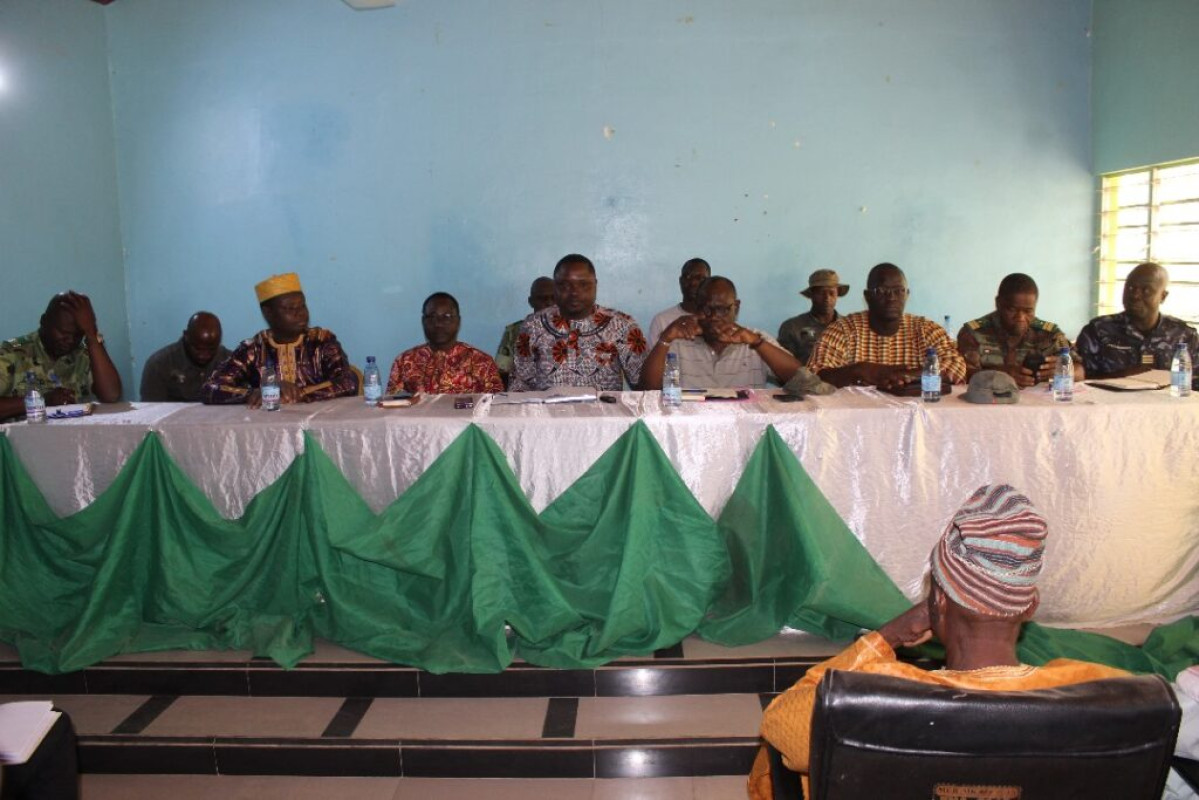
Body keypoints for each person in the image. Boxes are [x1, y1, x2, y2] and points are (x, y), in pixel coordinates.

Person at [748, 484, 1133, 800]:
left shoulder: (873, 701)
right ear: (1030, 606)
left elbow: (779, 725)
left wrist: (884, 638)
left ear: (939, 602)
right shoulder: (1110, 696)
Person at [201, 272, 358, 406]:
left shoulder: (321, 342)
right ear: (268, 313)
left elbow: (348, 381)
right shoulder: (254, 349)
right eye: (290, 308)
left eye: (302, 306)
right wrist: (255, 393)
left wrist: (299, 393)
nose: (300, 313)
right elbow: (211, 388)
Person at [807, 263, 967, 391]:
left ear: (907, 295)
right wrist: (859, 370)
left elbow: (956, 366)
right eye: (882, 291)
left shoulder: (926, 330)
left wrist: (907, 376)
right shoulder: (843, 329)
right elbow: (814, 374)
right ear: (867, 296)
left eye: (898, 291)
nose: (891, 298)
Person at [510, 254, 648, 391]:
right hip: (546, 405)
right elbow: (519, 385)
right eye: (565, 285)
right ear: (555, 287)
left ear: (595, 285)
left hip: (603, 406)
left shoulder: (622, 325)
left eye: (583, 285)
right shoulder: (533, 325)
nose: (574, 293)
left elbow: (644, 386)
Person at [640, 276, 807, 390]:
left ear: (737, 307)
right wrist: (665, 339)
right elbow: (647, 390)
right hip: (692, 428)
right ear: (697, 308)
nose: (714, 317)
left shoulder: (755, 340)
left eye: (722, 309)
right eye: (707, 309)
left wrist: (757, 343)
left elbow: (803, 381)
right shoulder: (679, 342)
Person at [0, 292, 123, 421]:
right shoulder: (13, 353)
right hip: (20, 433)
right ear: (44, 321)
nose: (70, 340)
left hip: (76, 432)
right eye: (63, 333)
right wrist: (42, 401)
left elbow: (111, 395)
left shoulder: (85, 353)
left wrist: (91, 333)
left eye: (78, 335)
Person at [1076, 261, 1199, 378]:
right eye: (1130, 288)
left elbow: (1194, 381)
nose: (1135, 295)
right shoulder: (1098, 330)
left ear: (1163, 296)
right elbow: (1078, 379)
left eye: (1146, 290)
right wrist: (1120, 377)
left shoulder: (1184, 336)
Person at [957, 273, 1083, 387]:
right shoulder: (973, 333)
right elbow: (962, 375)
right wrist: (1000, 375)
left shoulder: (1050, 334)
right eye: (1012, 310)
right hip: (987, 401)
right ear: (998, 303)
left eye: (1028, 311)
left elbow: (1080, 371)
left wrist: (1066, 370)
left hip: (1039, 402)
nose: (1020, 318)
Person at [387, 292, 504, 395]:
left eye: (446, 316)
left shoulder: (482, 362)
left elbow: (497, 407)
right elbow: (391, 407)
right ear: (423, 321)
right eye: (432, 316)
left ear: (458, 321)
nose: (439, 323)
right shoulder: (404, 362)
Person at [139, 311, 230, 402]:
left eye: (211, 349)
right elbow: (153, 408)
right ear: (186, 336)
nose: (204, 356)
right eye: (197, 349)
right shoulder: (159, 365)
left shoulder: (231, 362)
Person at [777, 269, 848, 365]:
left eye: (831, 293)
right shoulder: (792, 327)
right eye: (821, 293)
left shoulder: (849, 327)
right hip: (806, 375)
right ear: (812, 294)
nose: (827, 298)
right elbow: (782, 366)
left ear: (837, 295)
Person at [495, 276, 555, 386]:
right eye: (542, 299)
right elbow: (501, 372)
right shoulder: (514, 331)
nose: (549, 303)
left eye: (554, 298)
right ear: (531, 302)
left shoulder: (574, 330)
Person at [647, 257, 712, 344]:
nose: (693, 283)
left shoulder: (716, 320)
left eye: (700, 278)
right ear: (681, 281)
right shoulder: (662, 320)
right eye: (688, 277)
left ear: (709, 283)